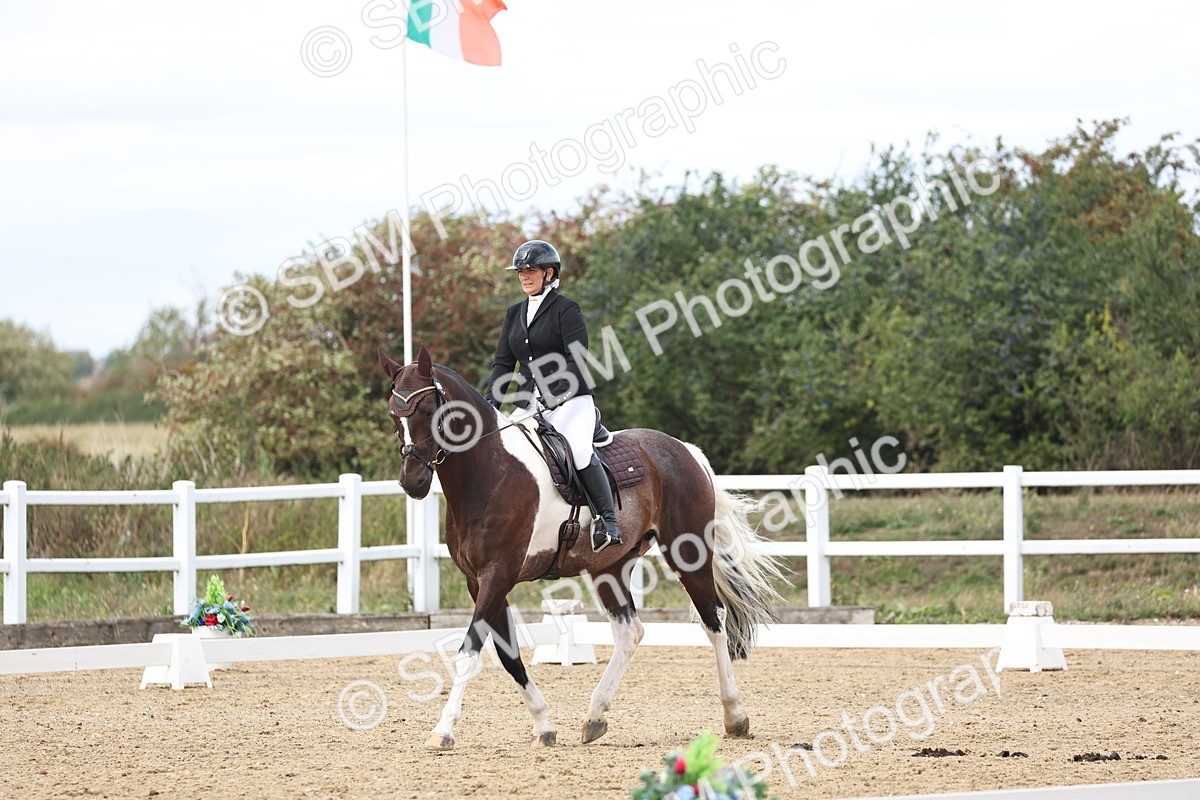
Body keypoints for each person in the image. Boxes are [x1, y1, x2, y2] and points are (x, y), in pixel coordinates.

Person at [483, 240, 623, 553]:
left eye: (530, 270)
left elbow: (576, 359)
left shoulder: (566, 309)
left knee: (577, 449)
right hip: (528, 404)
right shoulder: (514, 314)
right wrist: (490, 403)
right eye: (520, 271)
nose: (523, 276)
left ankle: (607, 520)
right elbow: (504, 363)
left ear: (549, 273)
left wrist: (555, 395)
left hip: (570, 400)